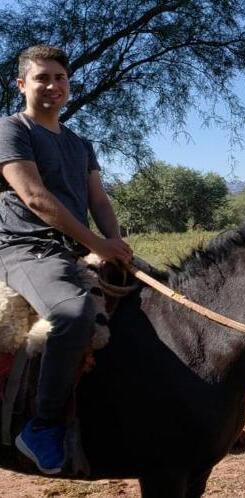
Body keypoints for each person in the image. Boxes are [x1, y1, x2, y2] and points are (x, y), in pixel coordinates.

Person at [0, 45, 133, 474]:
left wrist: (115, 242)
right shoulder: (10, 129)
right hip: (25, 248)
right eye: (42, 78)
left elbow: (98, 198)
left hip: (74, 249)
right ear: (22, 84)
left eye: (60, 78)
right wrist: (96, 242)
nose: (52, 86)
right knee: (73, 314)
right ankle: (43, 424)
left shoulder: (80, 144)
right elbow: (37, 198)